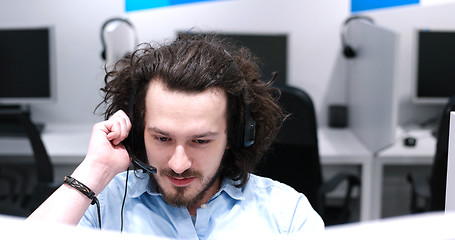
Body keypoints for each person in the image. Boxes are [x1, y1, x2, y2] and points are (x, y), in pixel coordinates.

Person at [28, 34, 324, 238]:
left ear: (236, 134)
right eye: (162, 138)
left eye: (201, 141)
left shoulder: (287, 215)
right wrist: (95, 169)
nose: (179, 164)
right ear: (137, 131)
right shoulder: (103, 204)